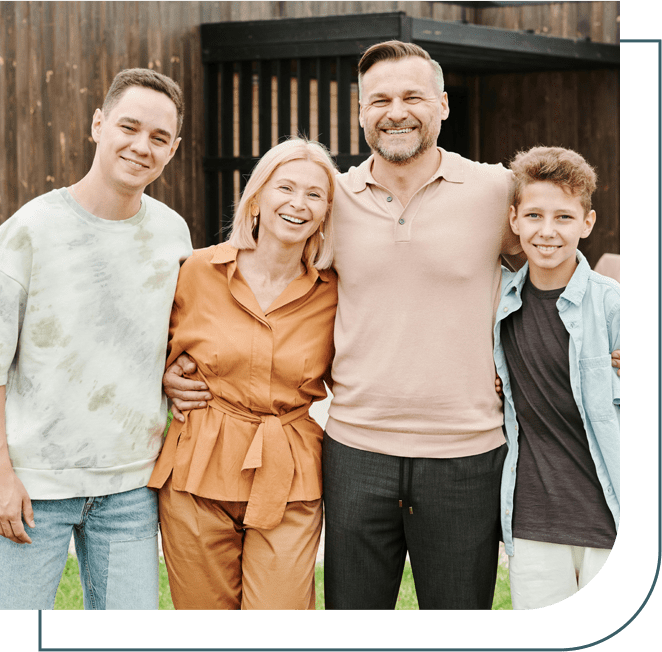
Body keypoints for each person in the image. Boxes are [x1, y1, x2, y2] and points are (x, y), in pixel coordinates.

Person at [164, 41, 620, 610]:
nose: (395, 110)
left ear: (444, 105)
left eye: (412, 96)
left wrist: (612, 337)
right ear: (360, 113)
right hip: (356, 450)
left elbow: (559, 254)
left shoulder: (496, 191)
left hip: (467, 454)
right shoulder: (331, 200)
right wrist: (179, 367)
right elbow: (269, 287)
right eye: (379, 99)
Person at [0, 69, 192, 610]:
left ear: (173, 150)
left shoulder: (173, 234)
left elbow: (170, 338)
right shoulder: (29, 231)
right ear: (97, 124)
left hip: (131, 484)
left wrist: (174, 371)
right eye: (129, 127)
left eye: (159, 138)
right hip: (35, 484)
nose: (141, 146)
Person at [147, 138, 338, 610]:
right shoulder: (195, 271)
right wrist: (164, 379)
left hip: (288, 471)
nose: (298, 203)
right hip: (198, 466)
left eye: (314, 194)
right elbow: (139, 349)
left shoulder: (337, 292)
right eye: (286, 187)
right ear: (256, 198)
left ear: (327, 212)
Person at [494, 146, 619, 610]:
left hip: (612, 515)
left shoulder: (613, 305)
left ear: (586, 223)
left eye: (564, 218)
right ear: (514, 220)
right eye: (534, 215)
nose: (547, 231)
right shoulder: (498, 301)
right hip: (534, 520)